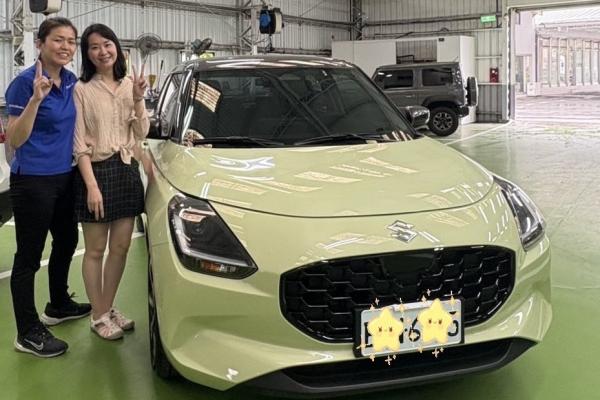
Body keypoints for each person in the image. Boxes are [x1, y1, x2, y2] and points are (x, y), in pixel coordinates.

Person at [5, 17, 91, 358]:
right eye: (58, 39)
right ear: (40, 44)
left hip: (64, 176)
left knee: (67, 241)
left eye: (71, 41)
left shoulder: (71, 81)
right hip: (33, 180)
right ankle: (27, 332)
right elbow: (14, 139)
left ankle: (58, 305)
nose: (66, 46)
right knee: (28, 257)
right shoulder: (24, 84)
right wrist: (35, 101)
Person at [73, 23, 149, 340]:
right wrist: (91, 186)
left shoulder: (129, 84)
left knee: (120, 248)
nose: (102, 51)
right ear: (87, 54)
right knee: (95, 250)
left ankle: (106, 307)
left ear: (116, 47)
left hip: (127, 169)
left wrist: (139, 99)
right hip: (96, 172)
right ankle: (98, 315)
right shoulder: (81, 89)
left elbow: (141, 133)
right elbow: (79, 144)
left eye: (107, 44)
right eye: (94, 47)